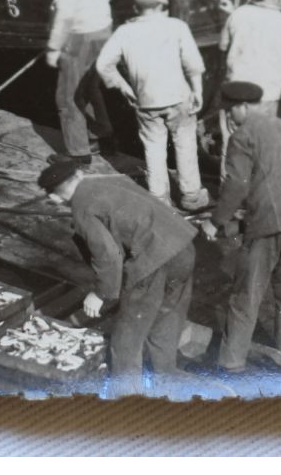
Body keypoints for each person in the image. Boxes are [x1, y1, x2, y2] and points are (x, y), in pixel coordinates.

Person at [39, 161, 198, 392]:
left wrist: (101, 293)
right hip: (183, 247)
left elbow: (109, 256)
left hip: (152, 260)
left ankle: (126, 399)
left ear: (55, 198)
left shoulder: (82, 208)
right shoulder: (113, 179)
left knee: (126, 338)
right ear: (80, 174)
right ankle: (166, 377)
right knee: (167, 316)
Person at [202, 80, 281, 372]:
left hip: (267, 228)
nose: (228, 117)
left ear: (241, 107)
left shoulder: (243, 135)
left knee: (246, 296)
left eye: (229, 111)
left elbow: (236, 184)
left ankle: (231, 362)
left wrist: (216, 222)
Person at [95, 0, 209, 210]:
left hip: (145, 101)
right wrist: (198, 90)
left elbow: (102, 65)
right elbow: (193, 65)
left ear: (136, 8)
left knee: (153, 146)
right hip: (178, 97)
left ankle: (159, 199)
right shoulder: (177, 26)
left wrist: (124, 87)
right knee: (185, 143)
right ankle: (191, 196)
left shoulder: (124, 32)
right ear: (161, 6)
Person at [45, 0, 114, 167]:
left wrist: (54, 47)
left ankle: (77, 152)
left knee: (67, 94)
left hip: (79, 36)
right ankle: (100, 134)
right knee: (90, 87)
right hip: (103, 32)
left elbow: (65, 12)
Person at [219, 0, 281, 157]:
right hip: (267, 94)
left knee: (232, 143)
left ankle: (230, 182)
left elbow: (223, 46)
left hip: (235, 91)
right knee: (262, 145)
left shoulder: (239, 13)